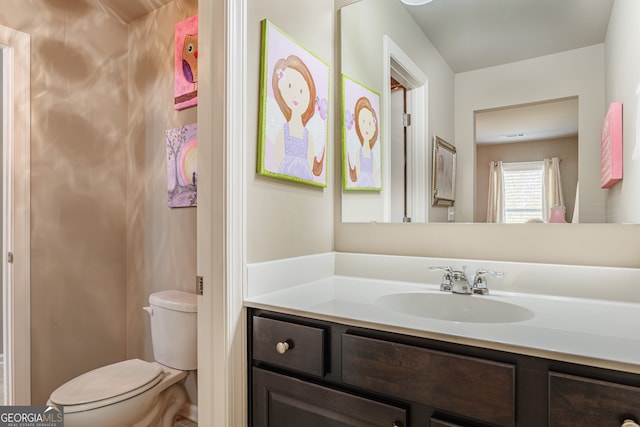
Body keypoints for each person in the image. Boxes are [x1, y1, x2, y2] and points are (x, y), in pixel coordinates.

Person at [272, 55, 324, 180]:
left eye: (301, 91)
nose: (296, 95)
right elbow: (278, 160)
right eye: (290, 86)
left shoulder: (308, 137)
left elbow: (310, 160)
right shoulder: (283, 132)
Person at [348, 96, 379, 187]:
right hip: (361, 182)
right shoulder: (359, 152)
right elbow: (357, 170)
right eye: (363, 121)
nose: (367, 127)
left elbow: (375, 172)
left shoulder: (373, 155)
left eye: (370, 123)